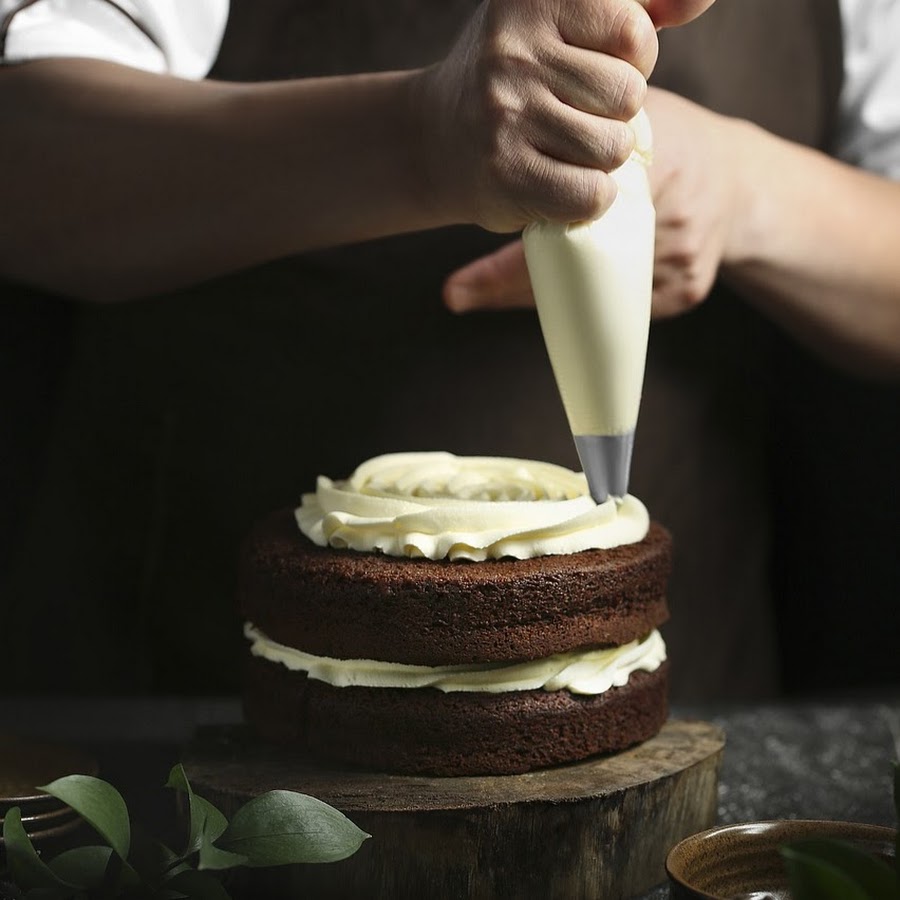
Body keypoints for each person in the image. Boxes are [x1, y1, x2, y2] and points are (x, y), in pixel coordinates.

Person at [0, 0, 896, 699]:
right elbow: (28, 161)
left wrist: (744, 188)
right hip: (206, 710)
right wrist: (421, 139)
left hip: (684, 706)